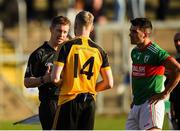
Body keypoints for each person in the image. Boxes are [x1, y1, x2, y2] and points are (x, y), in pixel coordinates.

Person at [51, 10, 113, 130]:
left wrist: (62, 84)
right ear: (92, 27)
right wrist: (88, 89)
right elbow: (109, 83)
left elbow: (55, 78)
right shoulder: (99, 51)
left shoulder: (66, 46)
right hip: (89, 103)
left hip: (68, 100)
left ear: (76, 25)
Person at [126, 18, 180, 130]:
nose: (130, 34)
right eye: (130, 31)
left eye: (134, 32)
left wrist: (165, 93)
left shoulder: (155, 52)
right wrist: (136, 100)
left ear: (145, 34)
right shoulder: (134, 51)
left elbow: (177, 69)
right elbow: (139, 77)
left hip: (150, 104)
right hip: (136, 105)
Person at [24, 16, 71, 130]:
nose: (61, 35)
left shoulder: (70, 53)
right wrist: (44, 79)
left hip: (69, 102)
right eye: (59, 31)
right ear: (51, 29)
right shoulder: (39, 54)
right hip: (50, 103)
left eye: (65, 32)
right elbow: (27, 82)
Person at [168, 32, 180, 129]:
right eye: (176, 41)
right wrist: (171, 106)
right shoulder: (174, 63)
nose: (178, 43)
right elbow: (172, 88)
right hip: (177, 108)